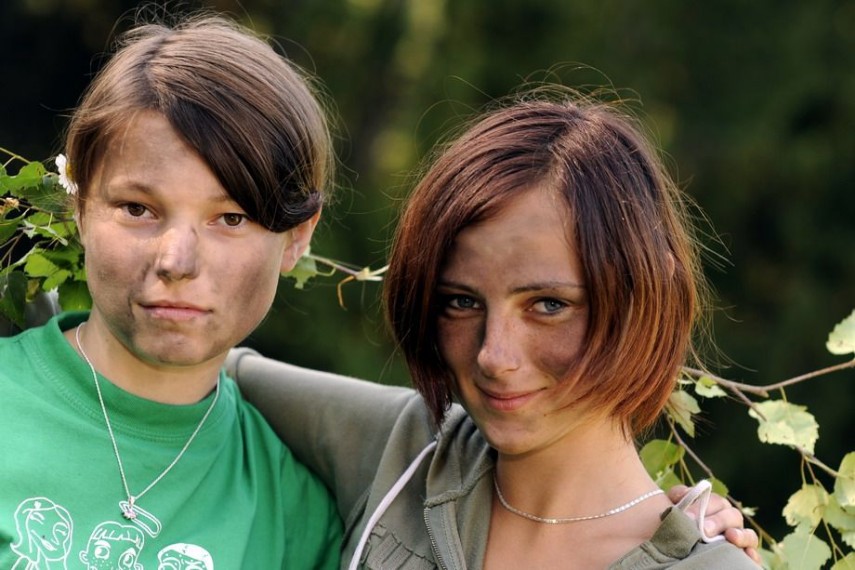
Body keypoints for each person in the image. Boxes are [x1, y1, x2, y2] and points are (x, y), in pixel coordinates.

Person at [227, 91, 761, 568]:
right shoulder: (400, 454)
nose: (493, 356)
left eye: (549, 305)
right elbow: (205, 368)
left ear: (646, 293)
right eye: (461, 302)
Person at [0, 15, 342, 569]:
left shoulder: (295, 521)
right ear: (80, 207)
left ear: (297, 238)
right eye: (138, 209)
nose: (176, 262)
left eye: (231, 218)